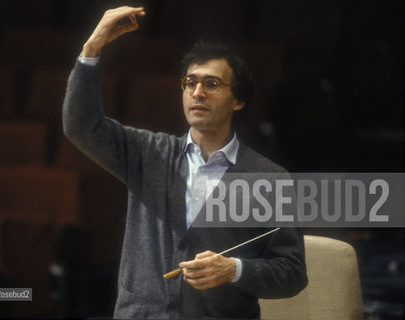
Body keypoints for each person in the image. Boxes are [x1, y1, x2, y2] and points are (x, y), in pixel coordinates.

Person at [63, 6, 307, 318]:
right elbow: (80, 125)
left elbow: (292, 274)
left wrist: (234, 269)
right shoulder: (149, 153)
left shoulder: (269, 178)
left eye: (212, 84)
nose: (197, 92)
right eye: (190, 83)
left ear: (239, 100)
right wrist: (92, 46)